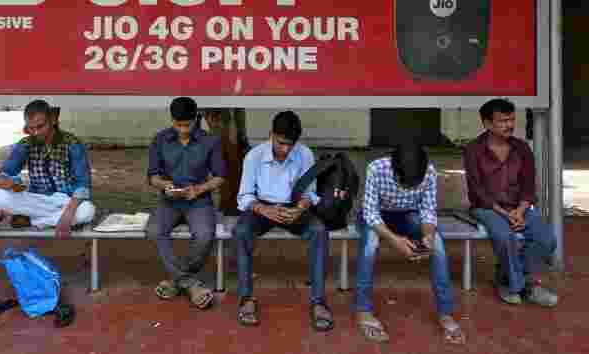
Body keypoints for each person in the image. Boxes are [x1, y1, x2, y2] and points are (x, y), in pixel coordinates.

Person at [354, 143, 465, 344]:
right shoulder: (376, 169)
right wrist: (395, 241)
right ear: (394, 170)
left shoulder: (429, 172)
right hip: (376, 216)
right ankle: (363, 310)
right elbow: (370, 213)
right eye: (404, 183)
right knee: (370, 246)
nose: (408, 188)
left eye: (414, 185)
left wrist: (428, 236)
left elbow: (428, 210)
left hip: (407, 215)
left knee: (438, 246)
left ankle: (446, 313)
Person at [233, 111, 333, 331]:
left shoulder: (305, 154)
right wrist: (264, 210)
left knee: (319, 231)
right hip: (261, 207)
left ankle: (319, 301)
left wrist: (300, 208)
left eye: (291, 144)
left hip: (293, 208)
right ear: (271, 134)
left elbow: (310, 193)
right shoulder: (254, 156)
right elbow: (245, 196)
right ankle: (246, 298)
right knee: (241, 232)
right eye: (281, 143)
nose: (286, 149)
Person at [463, 98, 558, 307]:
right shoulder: (473, 150)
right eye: (503, 121)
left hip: (519, 207)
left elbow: (528, 185)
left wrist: (520, 210)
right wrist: (506, 215)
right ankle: (522, 287)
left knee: (547, 239)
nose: (509, 125)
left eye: (512, 120)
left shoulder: (521, 148)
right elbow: (477, 192)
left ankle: (507, 279)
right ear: (487, 124)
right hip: (487, 208)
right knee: (505, 238)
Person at [148, 97, 227, 309]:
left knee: (205, 235)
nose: (183, 130)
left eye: (187, 125)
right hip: (169, 201)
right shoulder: (160, 140)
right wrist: (165, 185)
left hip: (198, 201)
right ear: (172, 120)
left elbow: (220, 176)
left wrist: (199, 189)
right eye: (178, 125)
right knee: (155, 231)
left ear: (196, 119)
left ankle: (176, 280)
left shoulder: (210, 141)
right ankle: (191, 284)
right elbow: (152, 176)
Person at [0, 100, 95, 236]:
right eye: (31, 128)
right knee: (1, 198)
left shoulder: (72, 144)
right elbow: (5, 173)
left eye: (40, 127)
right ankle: (51, 220)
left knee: (87, 211)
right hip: (39, 200)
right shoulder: (25, 144)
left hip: (66, 201)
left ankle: (34, 222)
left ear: (52, 120)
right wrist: (5, 181)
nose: (35, 132)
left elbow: (83, 185)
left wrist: (68, 213)